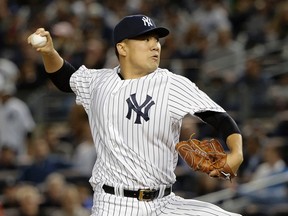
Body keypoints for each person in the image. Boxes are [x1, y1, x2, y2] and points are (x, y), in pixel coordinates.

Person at [28, 14, 243, 216]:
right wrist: (48, 52)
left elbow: (219, 118)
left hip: (165, 203)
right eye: (145, 39)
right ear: (122, 47)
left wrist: (236, 153)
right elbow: (65, 77)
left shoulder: (171, 84)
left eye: (156, 39)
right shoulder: (97, 82)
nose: (155, 45)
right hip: (115, 204)